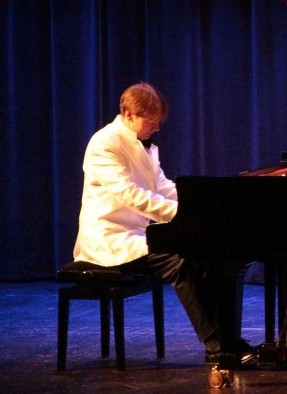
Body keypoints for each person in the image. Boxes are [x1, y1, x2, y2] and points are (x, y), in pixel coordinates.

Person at [72, 81, 256, 365]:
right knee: (179, 262)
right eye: (151, 121)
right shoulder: (105, 144)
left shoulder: (143, 147)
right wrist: (183, 216)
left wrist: (201, 207)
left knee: (204, 257)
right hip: (108, 239)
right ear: (128, 114)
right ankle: (217, 345)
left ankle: (228, 338)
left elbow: (163, 187)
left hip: (136, 235)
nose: (157, 127)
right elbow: (131, 196)